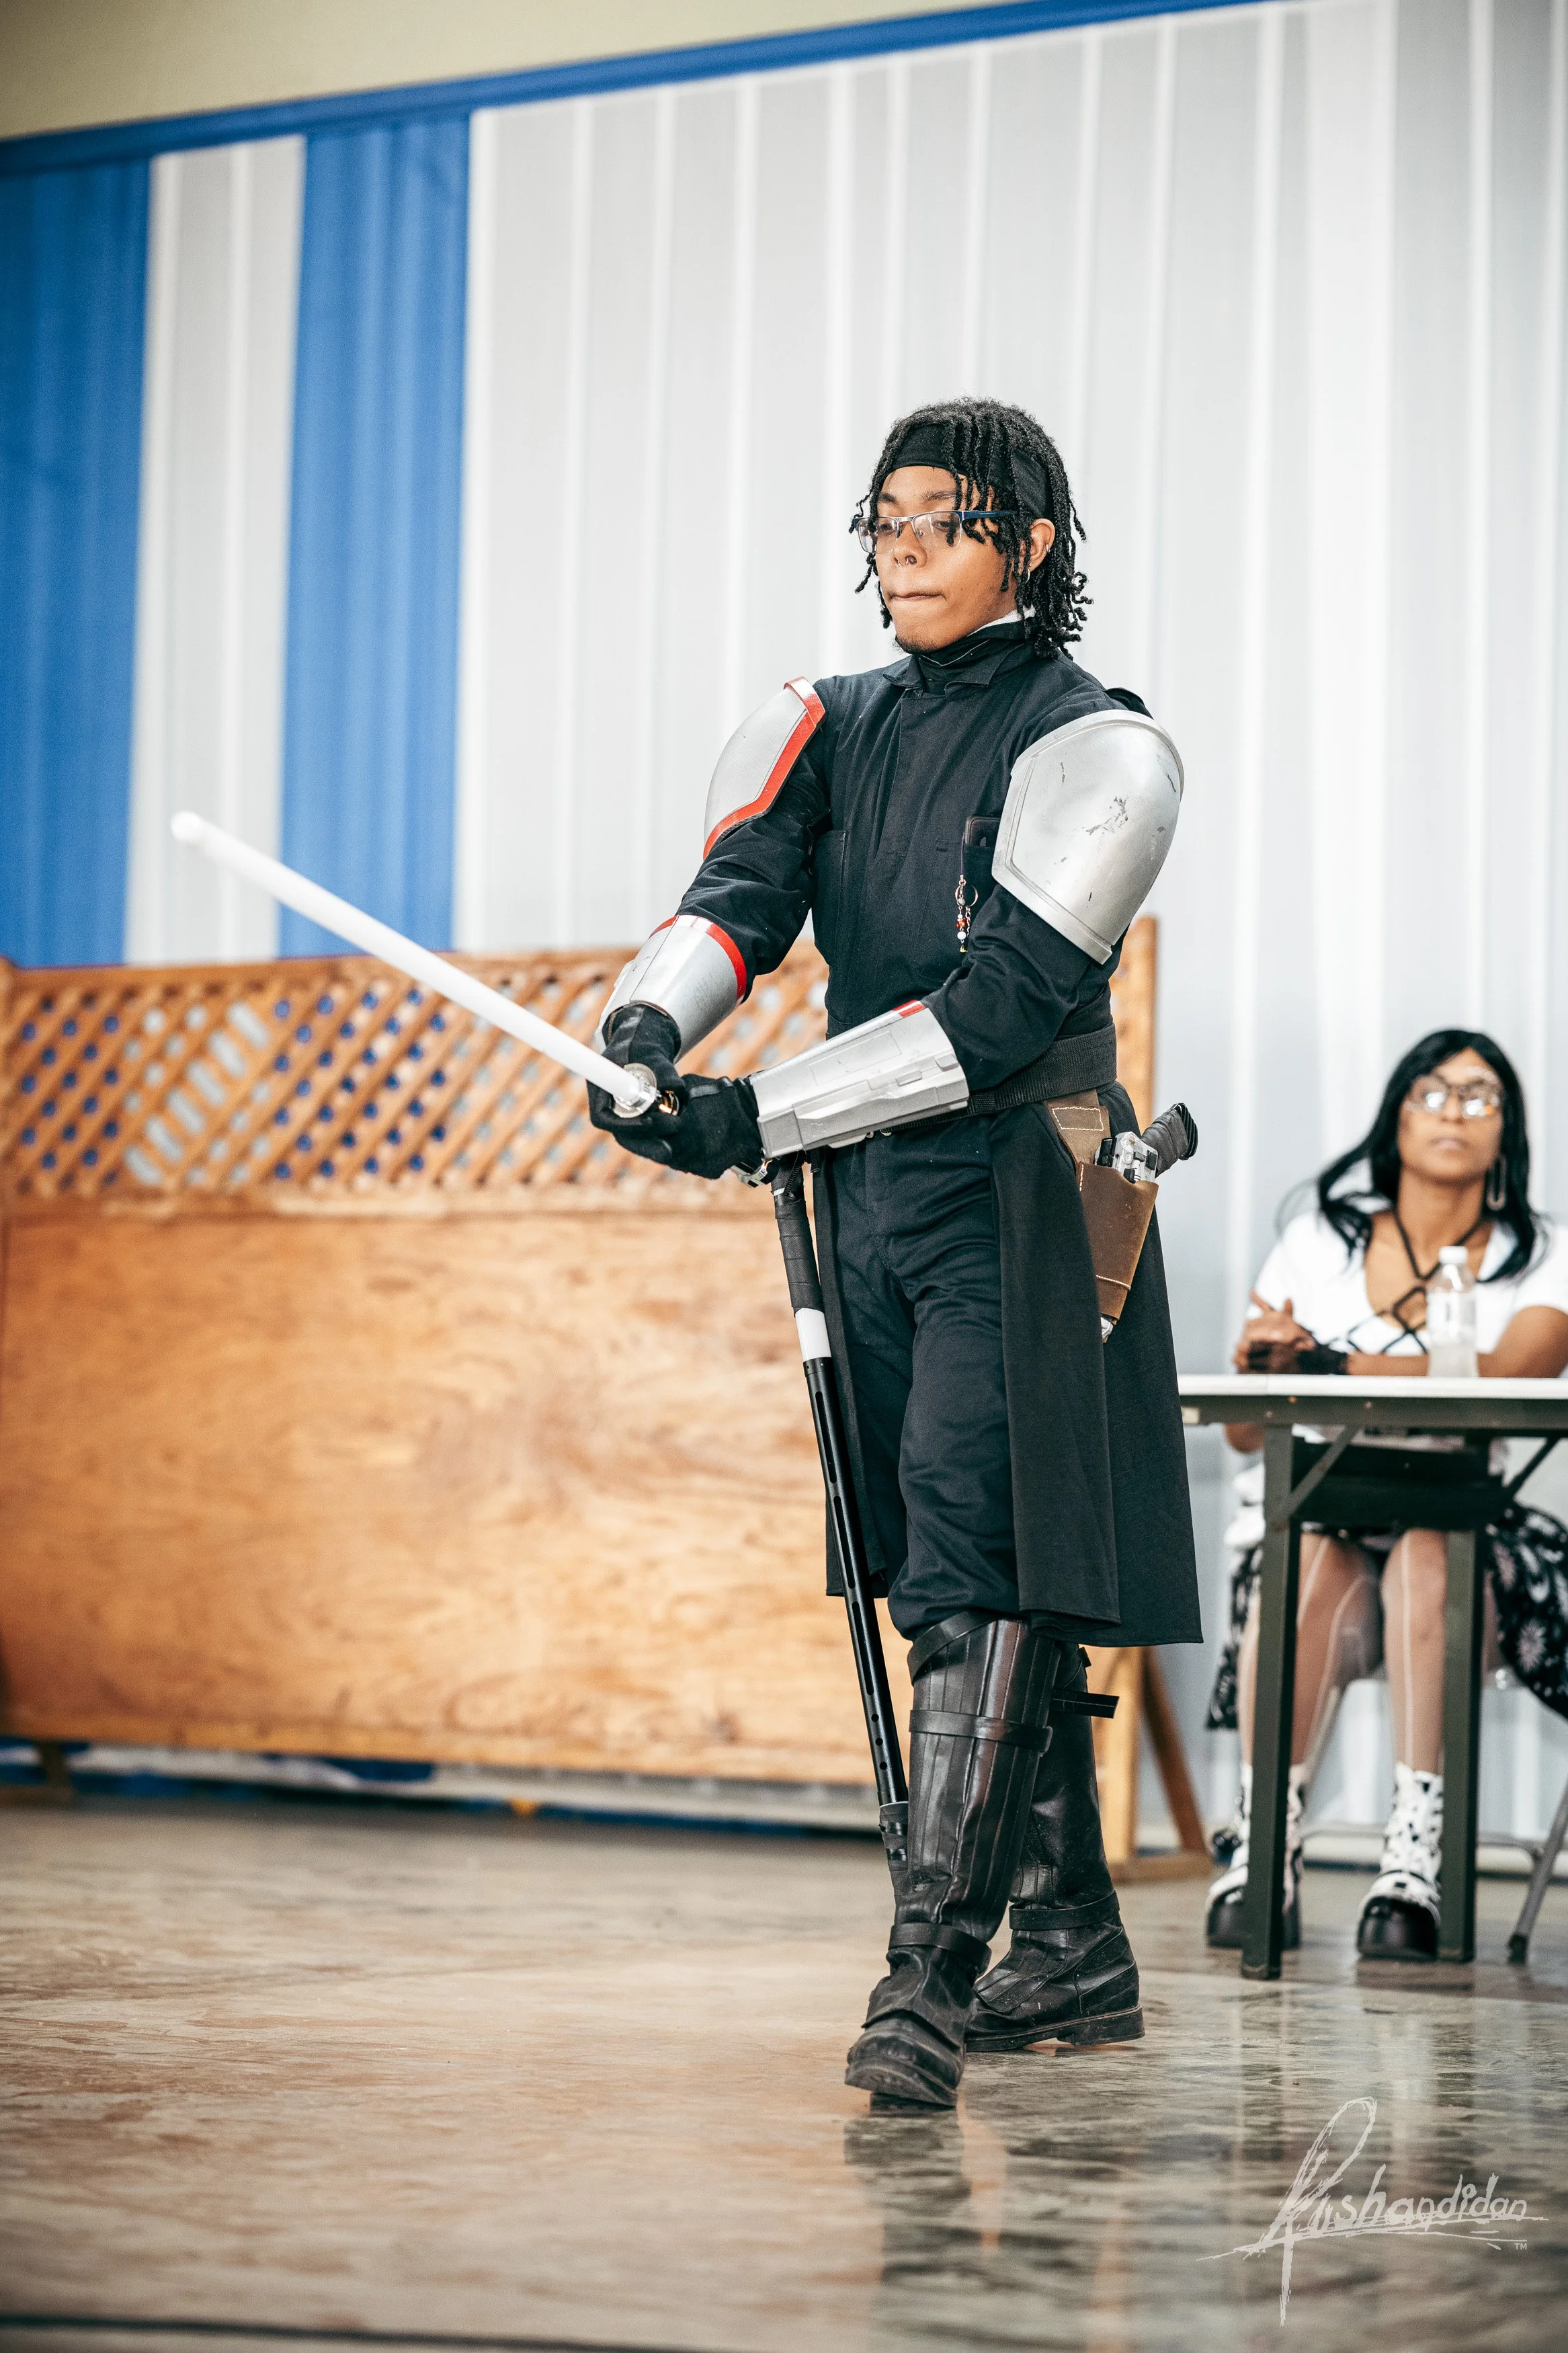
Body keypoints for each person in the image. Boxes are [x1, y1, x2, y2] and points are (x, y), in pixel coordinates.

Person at [589, 397, 1200, 2108]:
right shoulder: (822, 721)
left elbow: (999, 1004)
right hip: (877, 1178)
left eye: (944, 516)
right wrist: (647, 1024)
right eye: (883, 517)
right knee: (938, 1539)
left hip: (1042, 1173)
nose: (903, 545)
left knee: (979, 1562)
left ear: (1033, 541)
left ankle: (926, 1977)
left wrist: (751, 1116)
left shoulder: (1102, 745)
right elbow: (734, 900)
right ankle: (1067, 1941)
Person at [1208, 1030, 1568, 1960]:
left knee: (1425, 1548)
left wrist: (1323, 1361)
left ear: (1509, 1130)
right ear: (1397, 1112)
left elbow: (1515, 1372)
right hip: (1327, 1521)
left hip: (1467, 1539)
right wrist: (1261, 1365)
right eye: (1434, 1091)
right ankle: (1265, 1842)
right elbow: (1248, 1430)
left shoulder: (1542, 1254)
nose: (1454, 1112)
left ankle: (1416, 1855)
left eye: (1480, 1096)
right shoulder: (1316, 1241)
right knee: (1316, 1553)